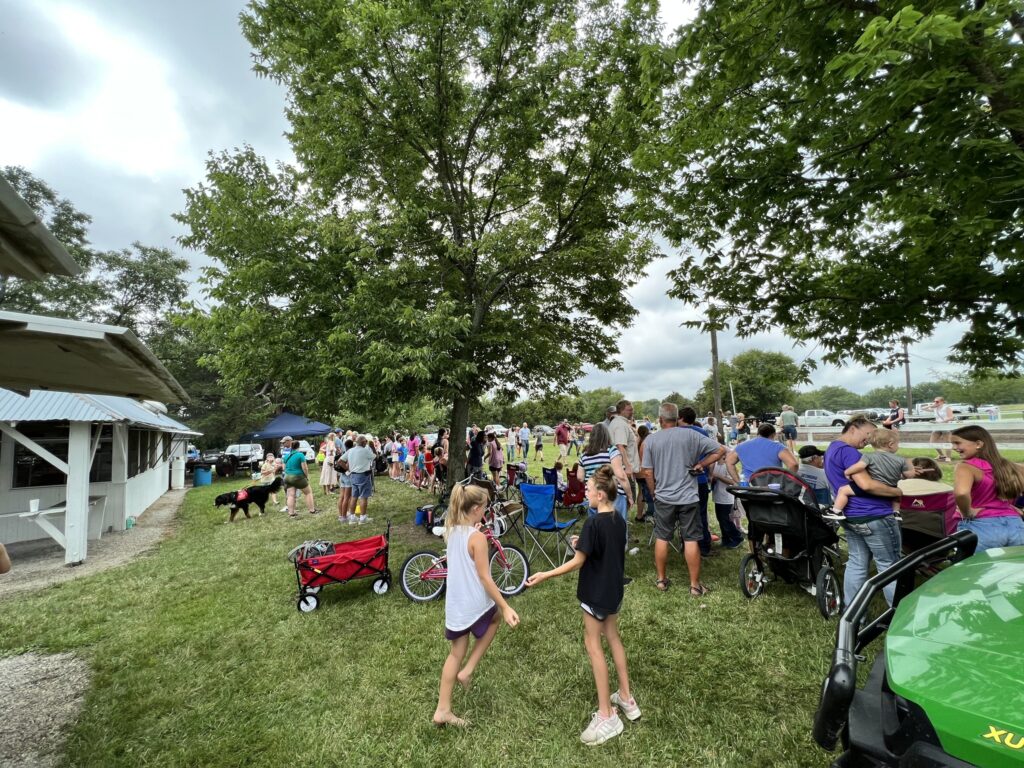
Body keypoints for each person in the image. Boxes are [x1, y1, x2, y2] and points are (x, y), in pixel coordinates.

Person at [526, 466, 640, 746]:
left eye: (588, 490)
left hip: (595, 593)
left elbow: (578, 562)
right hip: (613, 591)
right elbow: (601, 549)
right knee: (613, 637)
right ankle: (627, 698)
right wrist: (582, 544)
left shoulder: (593, 522)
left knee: (593, 645)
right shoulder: (617, 519)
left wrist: (545, 574)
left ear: (600, 495)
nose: (585, 493)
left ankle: (607, 715)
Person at [433, 483, 520, 727]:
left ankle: (443, 709)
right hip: (473, 602)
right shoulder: (477, 538)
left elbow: (466, 545)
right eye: (484, 507)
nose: (486, 511)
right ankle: (468, 670)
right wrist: (505, 606)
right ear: (475, 509)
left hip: (456, 606)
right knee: (494, 618)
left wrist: (476, 531)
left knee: (455, 653)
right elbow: (485, 577)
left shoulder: (452, 530)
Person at [642, 402, 725, 596]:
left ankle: (661, 580)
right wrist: (701, 464)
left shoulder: (651, 441)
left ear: (660, 419)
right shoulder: (692, 434)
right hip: (688, 496)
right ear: (677, 417)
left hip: (663, 496)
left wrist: (653, 492)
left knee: (662, 536)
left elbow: (647, 472)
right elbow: (720, 450)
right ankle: (695, 585)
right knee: (690, 539)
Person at [823, 417, 903, 606]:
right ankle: (900, 618)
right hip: (874, 515)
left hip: (851, 516)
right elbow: (866, 485)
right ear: (853, 428)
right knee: (889, 566)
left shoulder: (832, 448)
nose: (870, 439)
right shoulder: (850, 452)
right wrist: (897, 492)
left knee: (857, 564)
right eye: (868, 434)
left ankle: (853, 617)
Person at [949, 425, 1024, 552]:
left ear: (978, 444)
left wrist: (967, 512)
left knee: (977, 569)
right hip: (1015, 525)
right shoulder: (1014, 467)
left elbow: (961, 493)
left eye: (957, 443)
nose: (954, 448)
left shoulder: (966, 467)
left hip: (982, 526)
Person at [832, 429, 917, 515]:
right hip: (891, 487)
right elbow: (908, 475)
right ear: (891, 444)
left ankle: (836, 511)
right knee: (897, 495)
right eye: (897, 444)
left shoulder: (869, 456)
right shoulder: (901, 460)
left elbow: (859, 466)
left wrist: (847, 472)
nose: (898, 446)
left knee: (843, 490)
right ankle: (896, 512)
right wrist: (911, 467)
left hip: (875, 487)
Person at [577, 422, 634, 525]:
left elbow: (580, 477)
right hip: (613, 494)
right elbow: (621, 476)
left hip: (593, 495)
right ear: (607, 435)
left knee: (596, 529)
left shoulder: (584, 454)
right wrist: (630, 495)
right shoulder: (611, 451)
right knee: (617, 530)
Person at [678, 407, 718, 556]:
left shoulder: (677, 433)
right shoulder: (702, 432)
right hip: (699, 479)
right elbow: (714, 452)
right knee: (701, 514)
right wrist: (704, 466)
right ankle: (704, 547)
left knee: (684, 514)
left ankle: (686, 544)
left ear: (681, 418)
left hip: (682, 480)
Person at [726, 423, 798, 483]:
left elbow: (729, 462)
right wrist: (787, 481)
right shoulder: (778, 447)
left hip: (749, 487)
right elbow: (793, 464)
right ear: (773, 434)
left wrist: (738, 482)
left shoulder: (741, 446)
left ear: (758, 433)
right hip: (773, 486)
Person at [608, 399, 641, 515]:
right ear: (621, 410)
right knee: (626, 501)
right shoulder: (620, 424)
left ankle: (619, 522)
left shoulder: (620, 423)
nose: (632, 412)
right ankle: (620, 524)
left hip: (620, 467)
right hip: (623, 469)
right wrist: (628, 467)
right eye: (629, 409)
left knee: (622, 502)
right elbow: (620, 446)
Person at [283, 439, 318, 517]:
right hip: (298, 476)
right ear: (299, 446)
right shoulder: (300, 455)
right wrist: (306, 476)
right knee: (308, 493)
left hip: (287, 477)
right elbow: (305, 468)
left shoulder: (286, 456)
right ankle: (312, 510)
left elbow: (284, 468)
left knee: (291, 495)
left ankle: (291, 513)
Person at [347, 435, 376, 523]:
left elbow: (341, 461)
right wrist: (372, 447)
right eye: (365, 441)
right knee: (364, 496)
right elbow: (375, 456)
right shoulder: (365, 451)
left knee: (354, 496)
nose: (366, 443)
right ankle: (363, 518)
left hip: (353, 475)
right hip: (363, 475)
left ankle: (352, 517)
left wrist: (348, 470)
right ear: (363, 442)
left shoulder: (350, 450)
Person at [920, 396, 954, 462]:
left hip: (945, 426)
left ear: (942, 402)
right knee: (932, 442)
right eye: (934, 401)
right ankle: (941, 455)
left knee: (947, 441)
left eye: (937, 401)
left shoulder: (946, 407)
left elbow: (951, 417)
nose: (935, 402)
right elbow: (923, 408)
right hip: (937, 426)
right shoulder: (935, 408)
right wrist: (932, 405)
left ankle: (948, 457)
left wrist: (941, 421)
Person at [336, 438, 355, 523]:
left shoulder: (344, 452)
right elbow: (341, 462)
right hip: (347, 477)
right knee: (347, 497)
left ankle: (341, 515)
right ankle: (344, 517)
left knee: (342, 496)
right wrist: (348, 470)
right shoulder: (350, 452)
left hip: (342, 476)